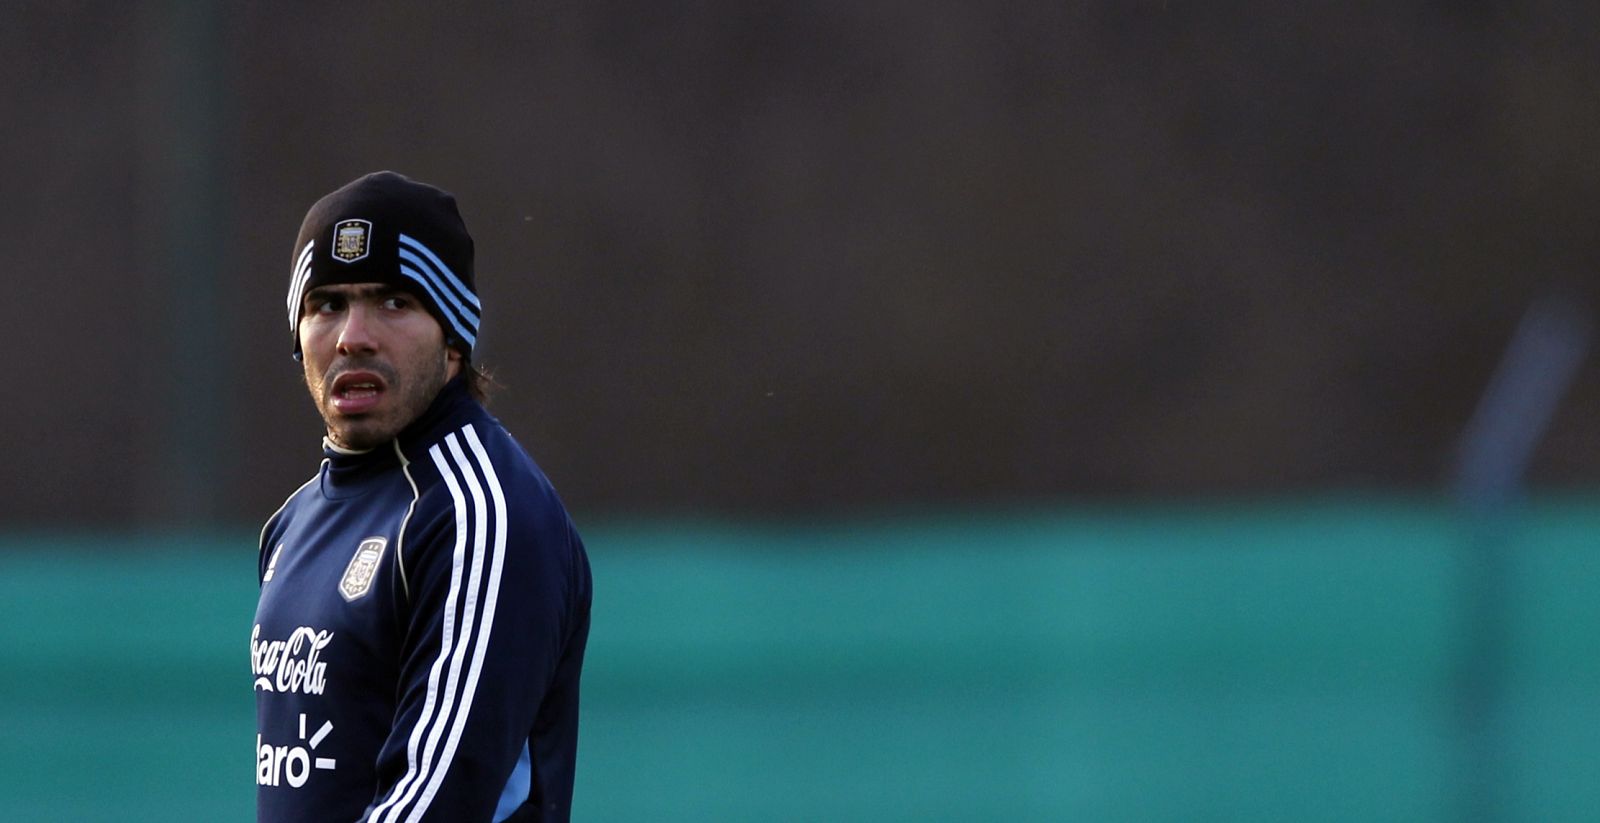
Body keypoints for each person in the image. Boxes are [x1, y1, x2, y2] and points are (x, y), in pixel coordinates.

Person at [252, 171, 592, 823]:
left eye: (394, 302)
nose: (354, 334)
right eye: (327, 304)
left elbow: (436, 802)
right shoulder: (292, 523)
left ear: (454, 339)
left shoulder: (477, 511)